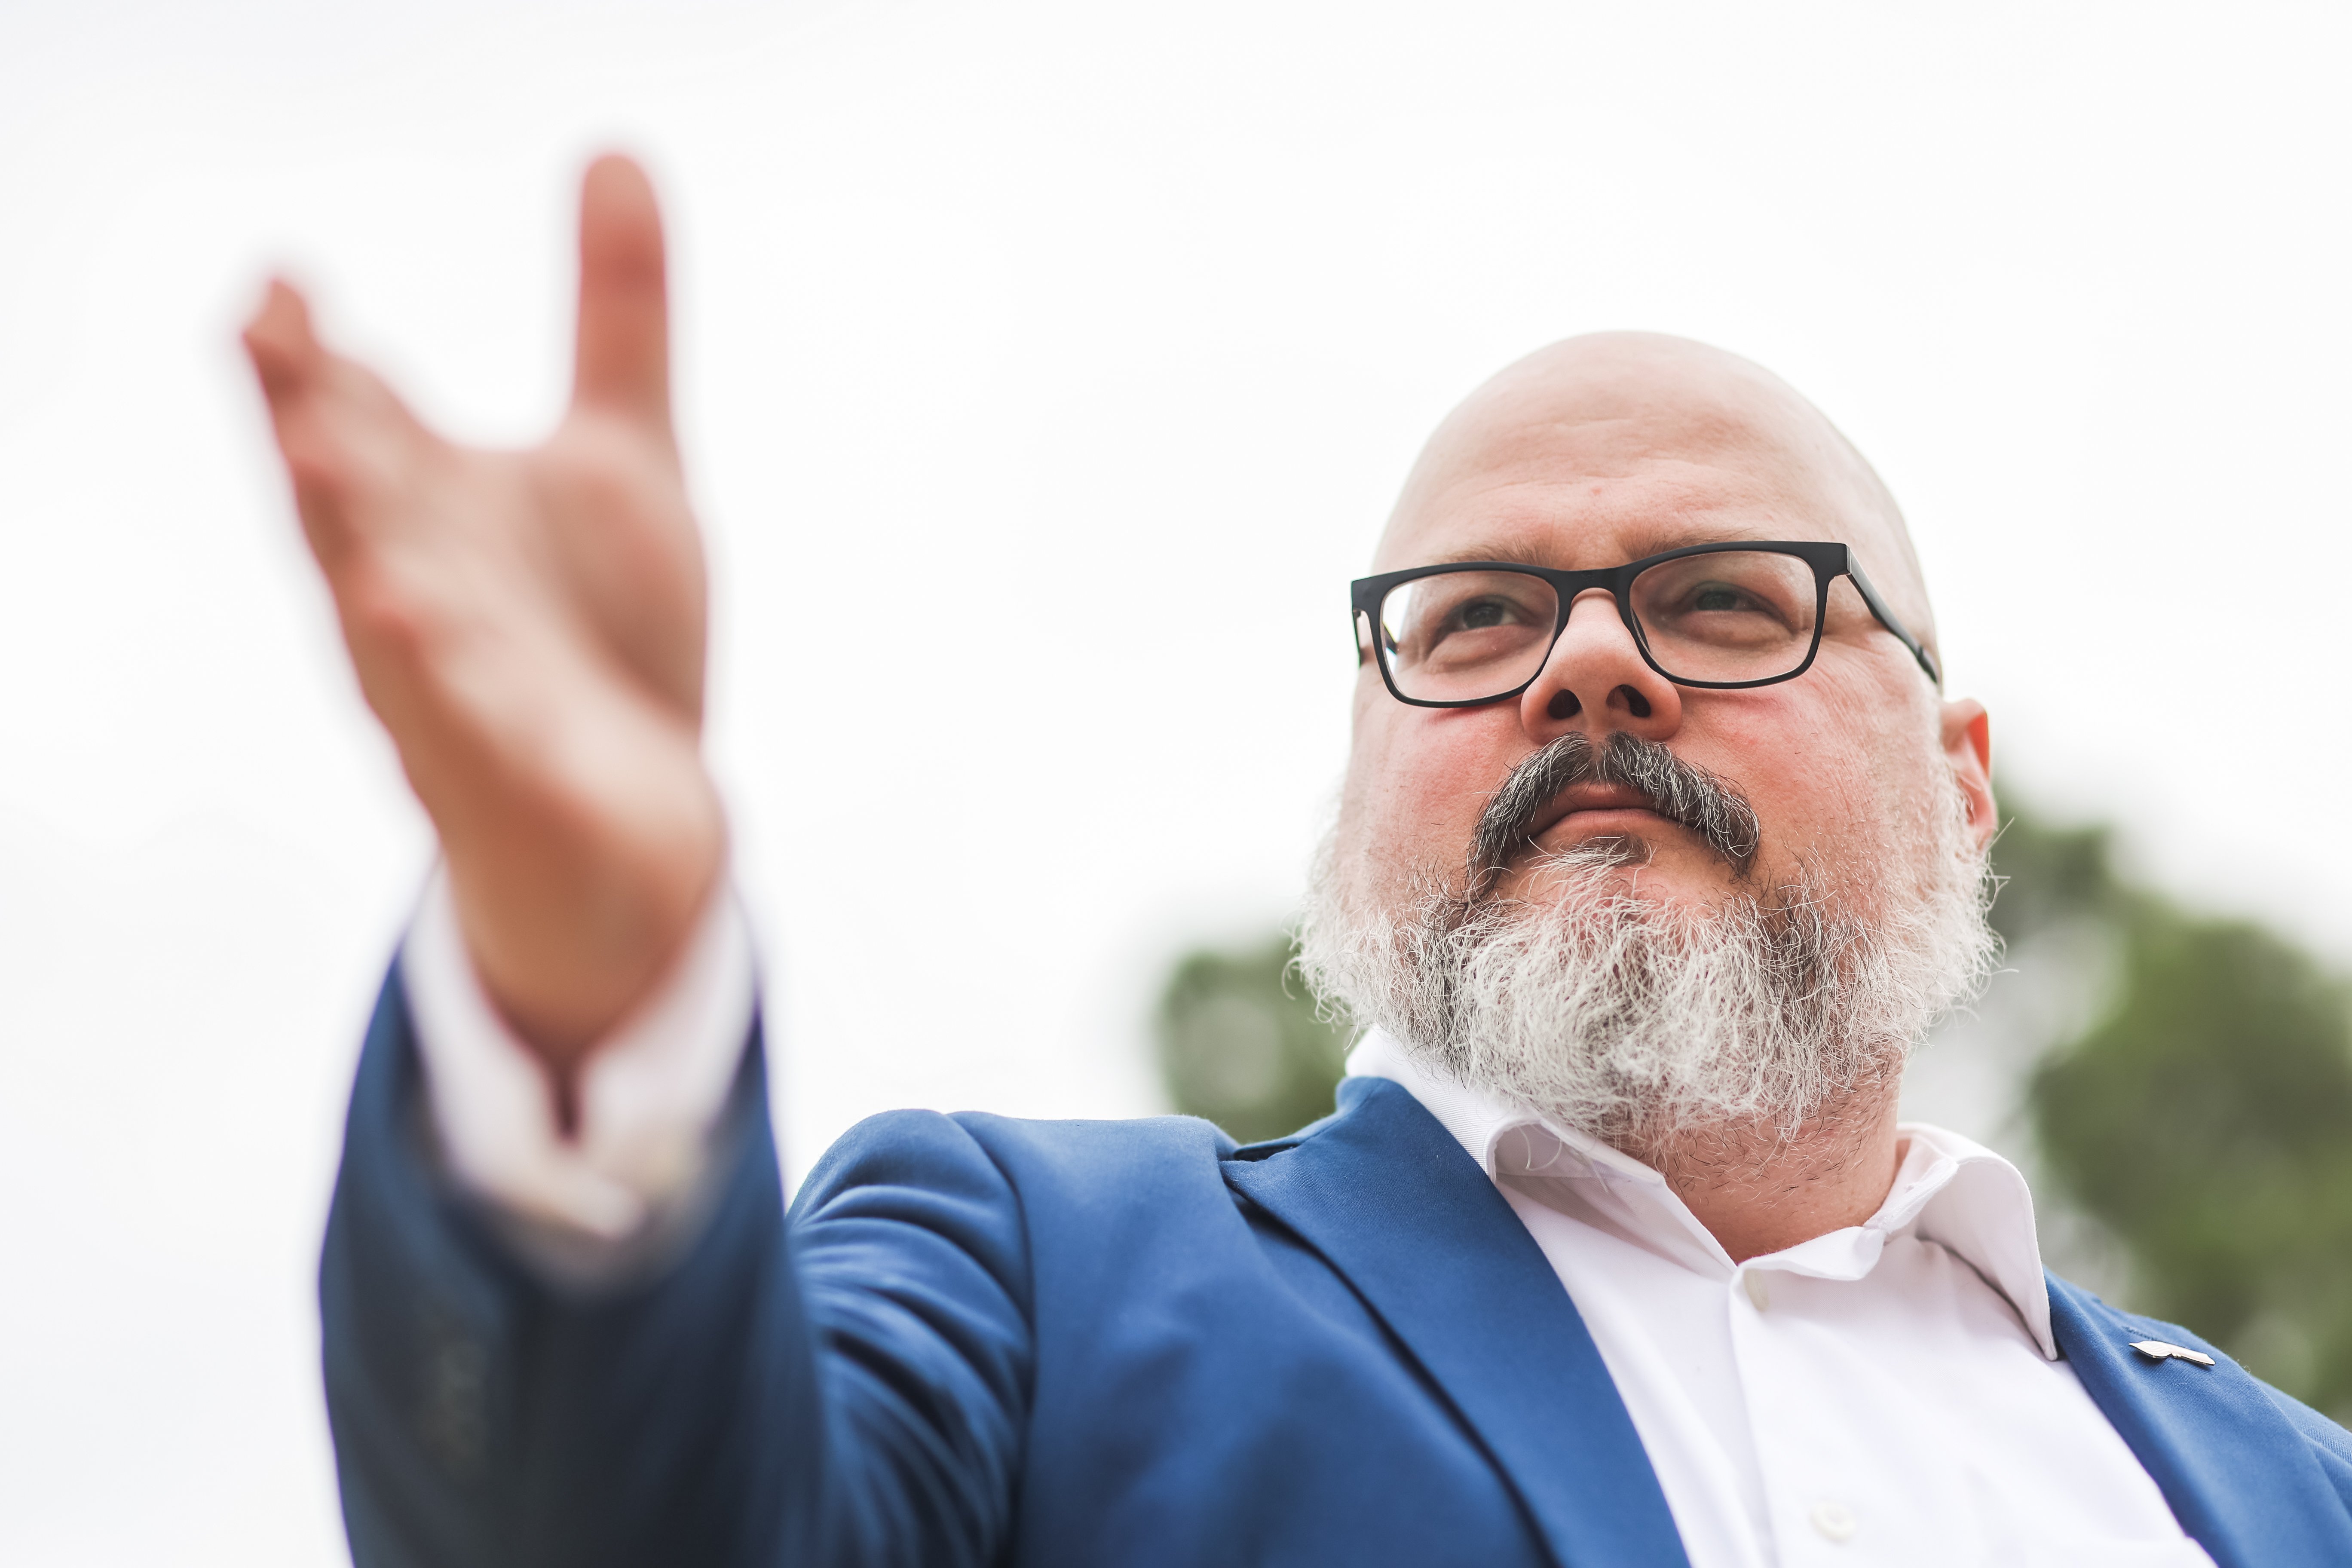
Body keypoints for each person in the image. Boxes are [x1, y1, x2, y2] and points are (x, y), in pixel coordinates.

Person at [245, 158, 2352, 1568]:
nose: (1587, 669)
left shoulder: (2294, 1492)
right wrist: (581, 1003)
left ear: (1963, 783)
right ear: (1363, 776)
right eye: (1478, 621)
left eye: (1726, 599)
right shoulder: (1035, 1280)